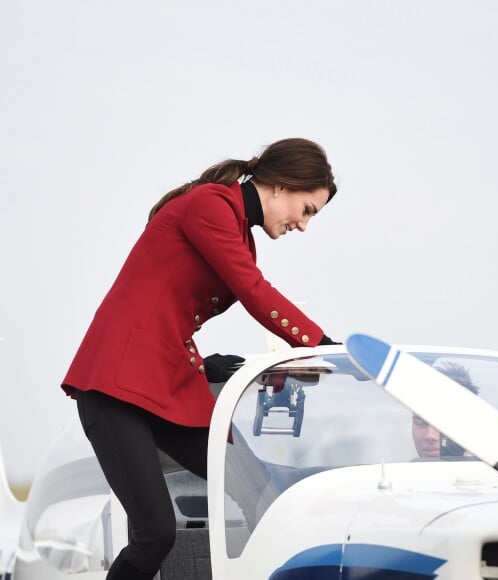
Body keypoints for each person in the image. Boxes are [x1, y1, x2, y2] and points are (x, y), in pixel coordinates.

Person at [61, 138, 339, 580]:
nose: (303, 226)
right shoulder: (210, 206)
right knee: (155, 534)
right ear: (282, 186)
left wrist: (202, 365)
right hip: (115, 383)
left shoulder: (240, 235)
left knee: (259, 488)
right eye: (307, 211)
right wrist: (320, 345)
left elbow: (166, 310)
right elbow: (253, 291)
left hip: (161, 377)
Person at [411, 362, 479, 458]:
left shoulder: (496, 472)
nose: (430, 436)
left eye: (443, 424)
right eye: (420, 422)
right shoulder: (388, 471)